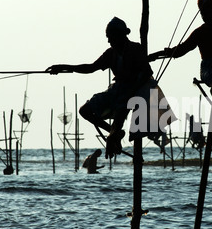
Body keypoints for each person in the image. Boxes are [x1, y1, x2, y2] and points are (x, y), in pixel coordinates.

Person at [46, 17, 154, 158]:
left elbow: (147, 72)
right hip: (116, 90)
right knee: (84, 111)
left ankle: (114, 134)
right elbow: (91, 67)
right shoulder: (110, 53)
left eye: (110, 37)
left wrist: (133, 91)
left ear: (119, 35)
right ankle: (112, 132)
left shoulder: (135, 49)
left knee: (120, 117)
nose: (109, 41)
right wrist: (64, 67)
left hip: (132, 93)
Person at [148, 0, 212, 97]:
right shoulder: (200, 32)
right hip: (208, 69)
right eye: (203, 13)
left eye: (207, 12)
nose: (204, 16)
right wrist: (159, 54)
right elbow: (180, 50)